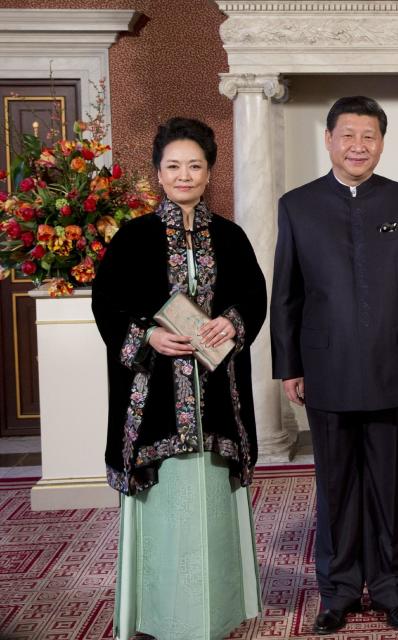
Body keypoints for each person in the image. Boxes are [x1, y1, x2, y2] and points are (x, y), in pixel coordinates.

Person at [270, 96, 398, 635]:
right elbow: (286, 293)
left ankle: (393, 589)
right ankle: (338, 590)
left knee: (390, 485)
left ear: (381, 143)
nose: (357, 146)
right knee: (335, 486)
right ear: (328, 139)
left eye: (368, 136)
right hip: (324, 367)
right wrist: (289, 365)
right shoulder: (297, 205)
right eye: (347, 134)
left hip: (396, 366)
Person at [92, 117, 266, 640]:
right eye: (174, 166)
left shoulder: (230, 237)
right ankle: (159, 613)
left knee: (211, 501)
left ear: (209, 171)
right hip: (155, 398)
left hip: (215, 396)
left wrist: (230, 321)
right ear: (158, 173)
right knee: (165, 507)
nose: (184, 175)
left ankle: (217, 613)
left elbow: (253, 297)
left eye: (194, 166)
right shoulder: (133, 237)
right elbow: (109, 304)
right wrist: (147, 337)